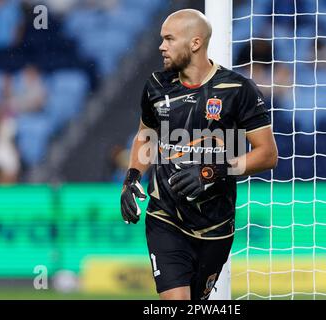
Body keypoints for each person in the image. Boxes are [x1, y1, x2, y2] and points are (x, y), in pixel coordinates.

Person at [120, 9, 278, 300]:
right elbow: (146, 135)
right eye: (161, 39)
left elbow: (267, 154)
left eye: (169, 39)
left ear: (194, 43)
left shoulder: (238, 90)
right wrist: (132, 178)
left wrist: (212, 171)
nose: (161, 46)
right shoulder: (156, 85)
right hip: (164, 216)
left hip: (216, 225)